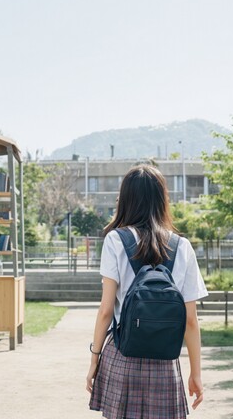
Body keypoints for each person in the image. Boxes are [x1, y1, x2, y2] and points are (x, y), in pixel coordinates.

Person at [86, 164, 208, 419]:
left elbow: (106, 310)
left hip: (123, 355)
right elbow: (191, 321)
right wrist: (195, 373)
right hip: (165, 363)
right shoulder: (182, 246)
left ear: (127, 199)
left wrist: (94, 359)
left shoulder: (115, 240)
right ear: (162, 199)